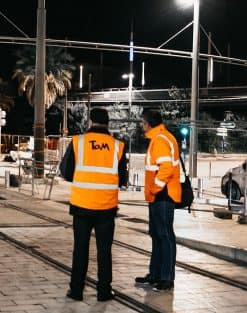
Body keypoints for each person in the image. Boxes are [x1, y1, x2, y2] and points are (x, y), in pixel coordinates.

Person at [59, 107, 128, 302]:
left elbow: (65, 171)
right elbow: (122, 179)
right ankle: (104, 291)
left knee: (80, 249)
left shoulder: (78, 142)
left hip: (82, 205)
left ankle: (76, 291)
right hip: (106, 207)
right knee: (104, 252)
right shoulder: (117, 146)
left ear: (89, 122)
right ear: (108, 124)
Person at [135, 109, 181, 291]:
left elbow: (166, 168)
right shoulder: (160, 137)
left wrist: (154, 187)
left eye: (142, 122)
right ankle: (155, 274)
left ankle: (166, 277)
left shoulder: (161, 140)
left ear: (148, 124)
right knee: (157, 235)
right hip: (159, 196)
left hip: (163, 196)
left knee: (164, 236)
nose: (141, 125)